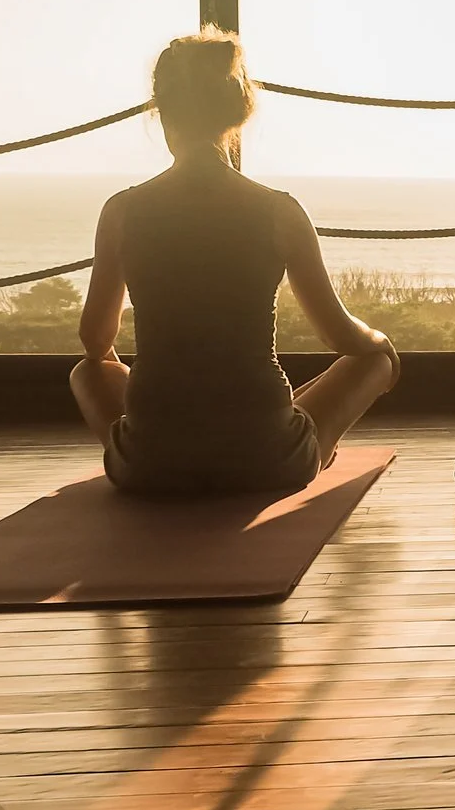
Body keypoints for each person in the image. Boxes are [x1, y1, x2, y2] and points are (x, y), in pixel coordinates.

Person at [71, 29, 399, 494]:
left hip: (149, 467)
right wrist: (382, 340)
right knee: (376, 361)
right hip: (269, 460)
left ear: (163, 114)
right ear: (238, 115)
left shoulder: (122, 211)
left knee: (89, 373)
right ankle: (312, 447)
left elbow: (94, 341)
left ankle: (153, 441)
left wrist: (158, 393)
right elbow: (338, 335)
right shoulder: (279, 210)